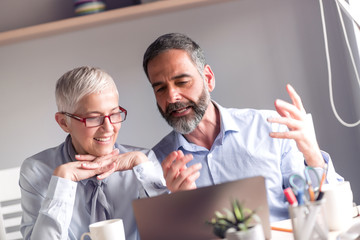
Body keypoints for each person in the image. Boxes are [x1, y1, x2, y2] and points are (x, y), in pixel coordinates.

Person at [142, 33, 343, 222]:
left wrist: (314, 157)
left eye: (182, 82)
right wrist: (184, 206)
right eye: (160, 88)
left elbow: (324, 214)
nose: (171, 97)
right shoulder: (154, 164)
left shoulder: (271, 128)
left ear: (208, 79)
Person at [19, 66, 167, 240]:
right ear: (64, 122)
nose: (108, 128)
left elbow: (171, 233)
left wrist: (144, 170)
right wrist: (62, 182)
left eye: (114, 114)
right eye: (93, 118)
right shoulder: (36, 170)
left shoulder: (143, 162)